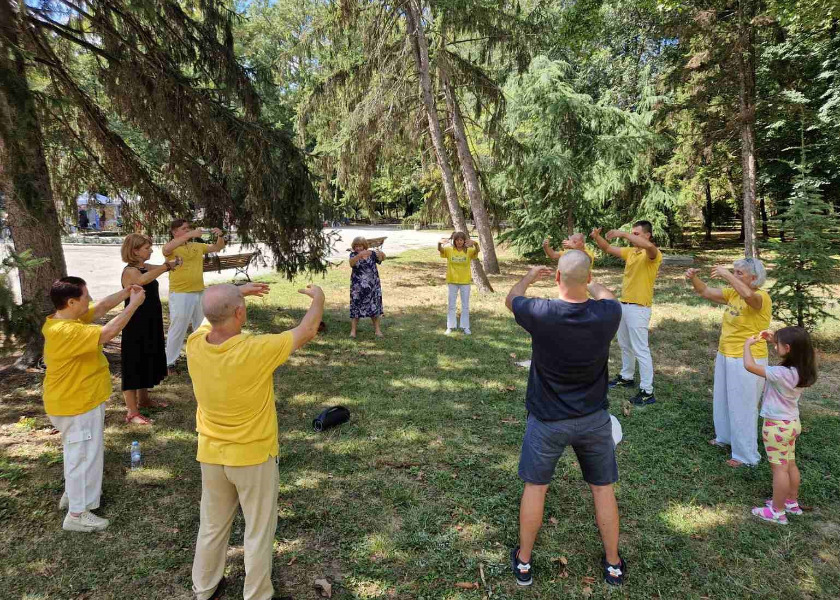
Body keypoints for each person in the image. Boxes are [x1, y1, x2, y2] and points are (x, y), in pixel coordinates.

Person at [187, 282, 324, 600]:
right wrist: (319, 298)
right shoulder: (255, 349)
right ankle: (257, 594)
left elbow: (211, 316)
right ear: (239, 313)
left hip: (211, 454)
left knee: (212, 524)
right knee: (259, 529)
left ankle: (204, 587)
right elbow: (307, 330)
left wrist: (237, 293)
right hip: (253, 456)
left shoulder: (195, 343)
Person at [505, 251, 626, 587]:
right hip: (593, 419)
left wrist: (530, 275)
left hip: (547, 420)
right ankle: (613, 564)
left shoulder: (541, 312)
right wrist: (590, 279)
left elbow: (511, 298)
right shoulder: (607, 315)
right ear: (587, 280)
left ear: (557, 278)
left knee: (536, 488)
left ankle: (525, 561)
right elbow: (609, 297)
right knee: (603, 490)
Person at [43, 277, 145, 532]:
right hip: (77, 404)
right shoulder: (67, 331)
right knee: (84, 457)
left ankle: (72, 495)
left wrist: (125, 292)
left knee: (75, 452)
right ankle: (77, 514)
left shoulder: (65, 319)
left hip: (75, 401)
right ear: (71, 301)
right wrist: (132, 305)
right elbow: (107, 332)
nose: (89, 300)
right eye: (85, 296)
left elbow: (100, 309)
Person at [685, 259, 771, 467]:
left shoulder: (761, 297)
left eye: (740, 273)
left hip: (749, 358)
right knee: (723, 399)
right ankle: (725, 438)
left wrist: (726, 275)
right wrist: (693, 278)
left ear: (754, 278)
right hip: (726, 353)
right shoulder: (733, 293)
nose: (735, 275)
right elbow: (705, 291)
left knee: (743, 405)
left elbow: (750, 296)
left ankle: (746, 456)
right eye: (735, 272)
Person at [744, 327, 817, 524]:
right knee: (790, 464)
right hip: (792, 424)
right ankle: (791, 502)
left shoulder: (779, 373)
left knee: (779, 470)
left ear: (787, 348)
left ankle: (777, 511)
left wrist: (747, 346)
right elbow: (787, 345)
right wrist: (773, 339)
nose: (775, 345)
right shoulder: (802, 370)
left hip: (776, 427)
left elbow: (750, 366)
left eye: (777, 344)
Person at [590, 221, 663, 405]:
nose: (633, 237)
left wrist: (622, 234)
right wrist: (597, 237)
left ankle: (647, 391)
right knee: (625, 345)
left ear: (647, 235)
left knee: (641, 349)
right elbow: (607, 248)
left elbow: (649, 248)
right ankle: (627, 376)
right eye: (633, 234)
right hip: (624, 305)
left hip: (639, 308)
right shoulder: (632, 252)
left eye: (637, 234)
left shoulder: (652, 253)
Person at [120, 234, 182, 425]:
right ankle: (132, 411)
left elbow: (153, 270)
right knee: (133, 363)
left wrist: (171, 264)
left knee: (146, 358)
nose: (151, 250)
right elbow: (144, 279)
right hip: (135, 322)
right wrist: (165, 266)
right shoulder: (130, 271)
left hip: (149, 321)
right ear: (135, 251)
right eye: (147, 248)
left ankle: (144, 400)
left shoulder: (143, 266)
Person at [163, 219, 226, 372]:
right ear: (174, 232)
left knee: (202, 326)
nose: (187, 230)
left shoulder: (197, 246)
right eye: (184, 229)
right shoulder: (172, 247)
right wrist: (190, 234)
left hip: (199, 291)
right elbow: (166, 250)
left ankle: (202, 355)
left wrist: (221, 235)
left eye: (188, 228)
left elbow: (218, 247)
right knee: (178, 327)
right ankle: (169, 361)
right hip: (180, 293)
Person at [438, 231, 480, 335]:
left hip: (465, 281)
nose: (459, 242)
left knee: (465, 305)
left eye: (461, 240)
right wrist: (439, 243)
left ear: (464, 240)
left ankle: (465, 327)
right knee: (451, 305)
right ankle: (450, 326)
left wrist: (475, 243)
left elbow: (477, 251)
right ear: (454, 241)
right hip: (452, 281)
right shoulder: (449, 250)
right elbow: (440, 249)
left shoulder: (469, 251)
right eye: (457, 240)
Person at [348, 236, 385, 338]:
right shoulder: (353, 254)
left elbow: (382, 259)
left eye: (360, 246)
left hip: (373, 286)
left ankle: (377, 330)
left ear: (364, 246)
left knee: (374, 308)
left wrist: (381, 254)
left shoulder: (372, 254)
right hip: (357, 287)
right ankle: (353, 331)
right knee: (356, 308)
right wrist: (359, 255)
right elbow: (351, 263)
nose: (358, 248)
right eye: (356, 246)